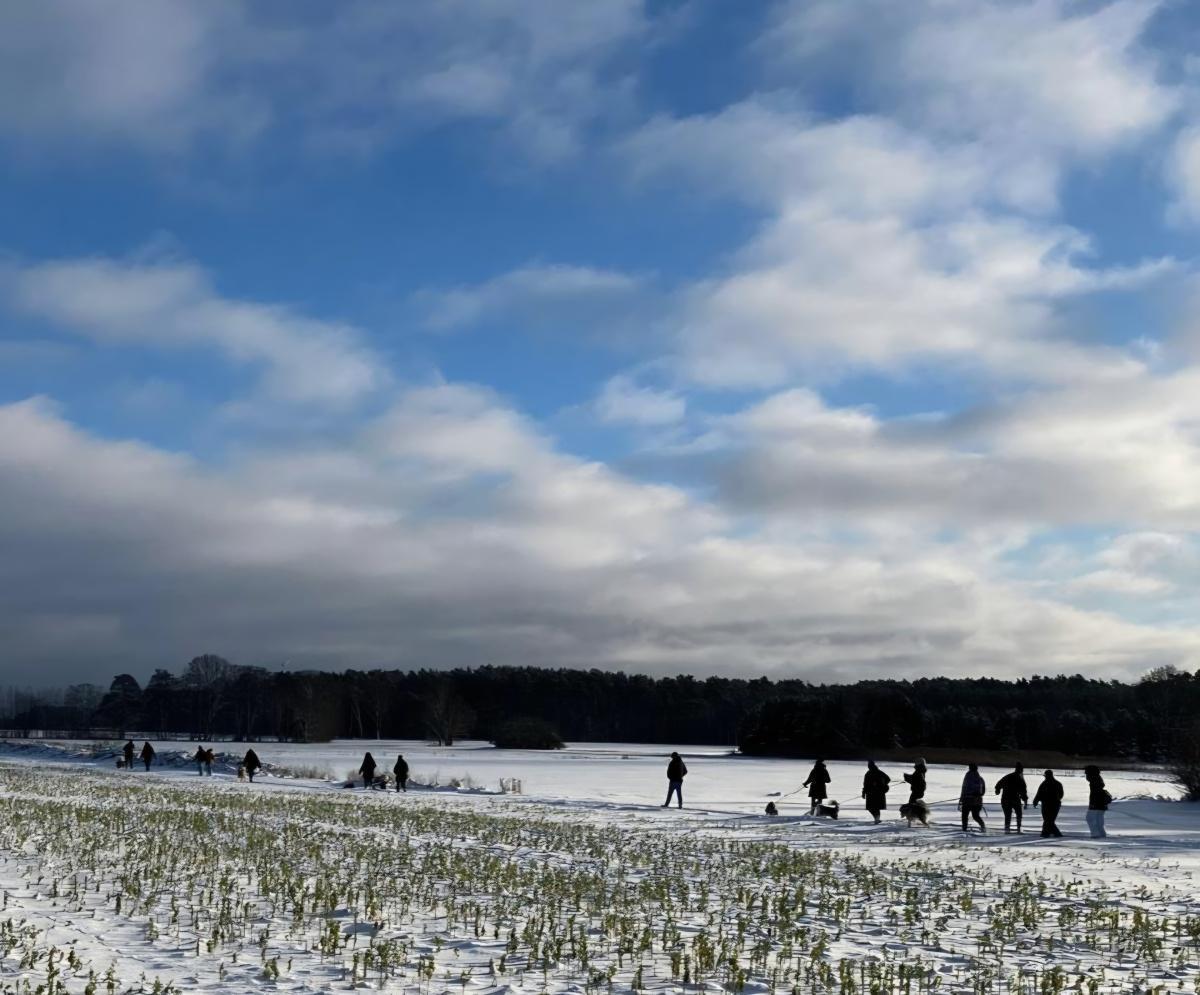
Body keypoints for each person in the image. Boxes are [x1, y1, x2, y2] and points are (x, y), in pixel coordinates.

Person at [994, 762, 1028, 833]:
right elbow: (1023, 792)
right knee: (1018, 813)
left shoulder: (1008, 777)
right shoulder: (1020, 779)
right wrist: (1025, 801)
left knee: (1008, 814)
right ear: (1021, 770)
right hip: (1014, 798)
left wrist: (997, 790)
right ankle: (1018, 828)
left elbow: (998, 784)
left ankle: (1007, 828)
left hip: (1005, 799)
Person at [1033, 769, 1064, 838]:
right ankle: (1049, 833)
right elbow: (1061, 794)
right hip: (1055, 804)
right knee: (1049, 820)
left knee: (1048, 820)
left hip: (1047, 804)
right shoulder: (1058, 783)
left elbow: (1039, 794)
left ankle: (1048, 833)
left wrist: (1036, 801)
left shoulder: (1044, 784)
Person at [1084, 765, 1110, 839]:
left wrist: (1093, 804)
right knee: (1098, 820)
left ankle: (1096, 835)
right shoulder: (1097, 779)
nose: (1085, 775)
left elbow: (1096, 794)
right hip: (1100, 804)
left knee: (1090, 818)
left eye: (1086, 773)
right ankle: (1101, 835)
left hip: (1096, 804)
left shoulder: (1094, 781)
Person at [959, 763, 986, 833]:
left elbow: (964, 788)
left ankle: (964, 829)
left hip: (968, 800)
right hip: (976, 801)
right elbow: (983, 791)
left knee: (965, 816)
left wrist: (961, 799)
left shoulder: (967, 777)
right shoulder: (980, 779)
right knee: (975, 816)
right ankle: (982, 826)